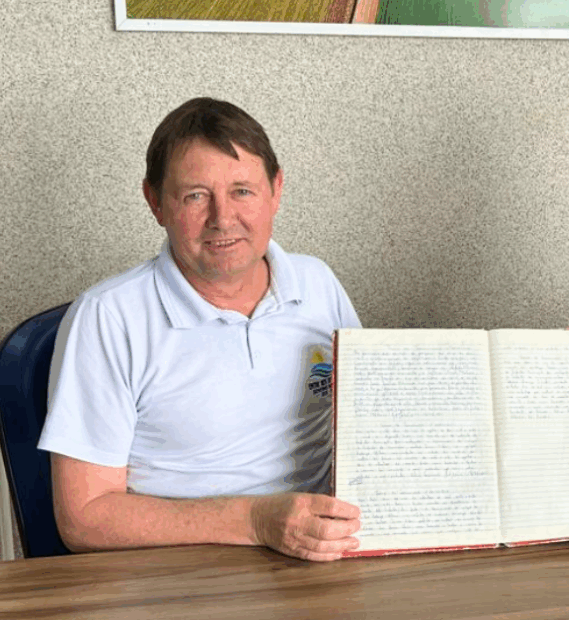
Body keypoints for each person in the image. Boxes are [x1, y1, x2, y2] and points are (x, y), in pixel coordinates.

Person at [39, 98, 362, 561]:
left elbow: (366, 430)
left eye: (242, 191)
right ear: (155, 202)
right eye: (195, 196)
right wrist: (256, 521)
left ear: (276, 189)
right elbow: (84, 518)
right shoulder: (108, 316)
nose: (222, 219)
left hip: (319, 555)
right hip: (176, 570)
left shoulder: (318, 284)